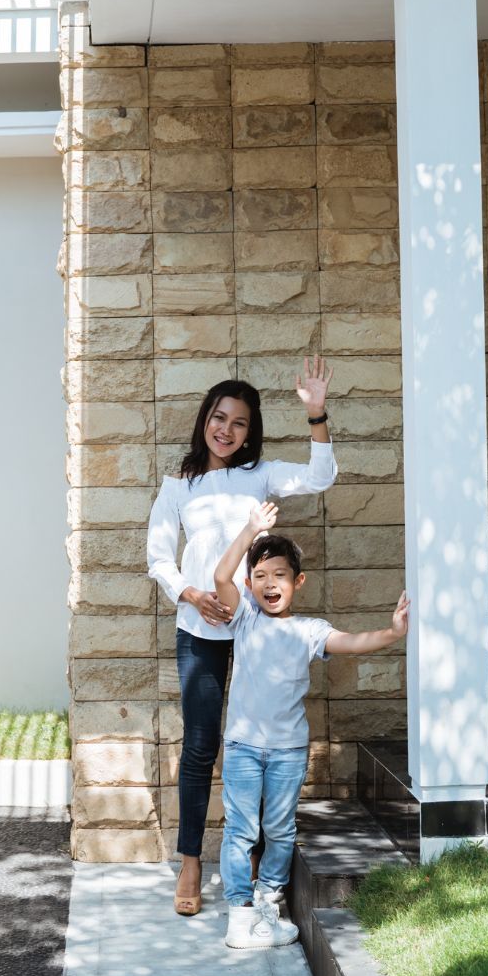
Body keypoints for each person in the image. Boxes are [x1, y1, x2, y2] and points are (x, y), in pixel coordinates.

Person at [145, 363, 337, 917]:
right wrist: (189, 594)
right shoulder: (178, 487)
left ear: (251, 432)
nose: (225, 430)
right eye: (219, 418)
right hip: (199, 627)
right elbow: (158, 555)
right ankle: (190, 861)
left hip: (255, 631)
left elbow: (320, 476)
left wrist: (316, 412)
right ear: (205, 420)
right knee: (202, 744)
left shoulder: (262, 474)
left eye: (238, 423)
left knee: (252, 742)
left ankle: (247, 853)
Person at [211, 501, 409, 948]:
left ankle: (267, 904)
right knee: (241, 830)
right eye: (260, 576)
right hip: (243, 746)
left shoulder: (309, 630)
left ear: (297, 582)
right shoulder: (243, 618)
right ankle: (239, 914)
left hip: (287, 750)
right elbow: (221, 578)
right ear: (249, 585)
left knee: (280, 829)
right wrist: (250, 529)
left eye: (279, 575)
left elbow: (352, 642)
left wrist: (393, 633)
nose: (269, 583)